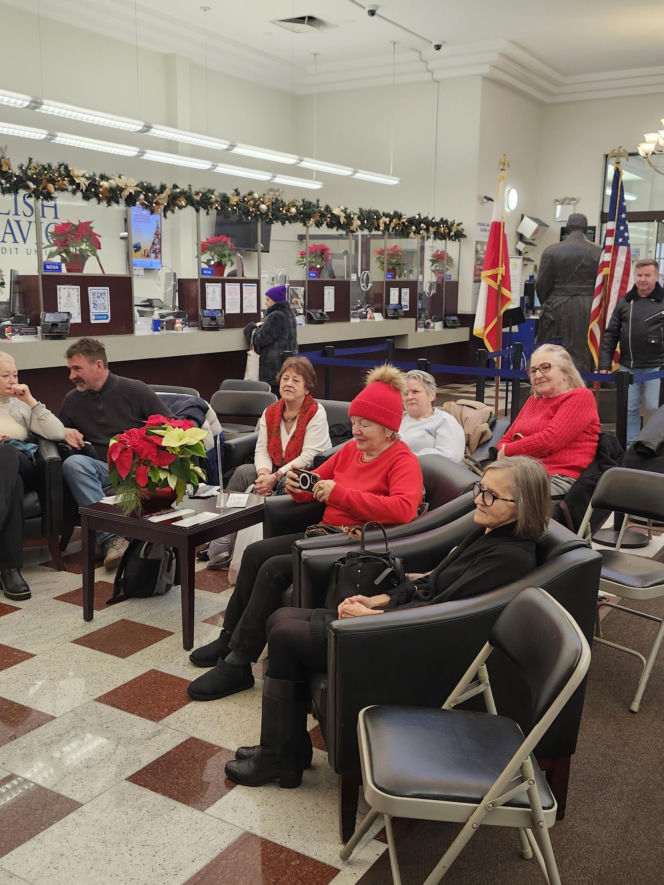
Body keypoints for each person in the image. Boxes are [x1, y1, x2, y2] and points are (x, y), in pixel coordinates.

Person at [223, 455, 551, 789]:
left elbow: (440, 615)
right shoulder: (489, 532)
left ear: (522, 506)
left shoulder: (508, 557)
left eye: (491, 495)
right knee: (280, 618)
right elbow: (431, 583)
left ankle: (280, 758)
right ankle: (285, 753)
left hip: (409, 645)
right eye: (480, 489)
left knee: (284, 633)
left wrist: (372, 618)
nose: (479, 500)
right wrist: (378, 599)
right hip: (404, 623)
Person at [187, 364, 423, 701]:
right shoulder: (350, 452)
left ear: (388, 429)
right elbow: (315, 479)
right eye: (354, 422)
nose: (355, 430)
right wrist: (299, 485)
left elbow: (403, 509)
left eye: (364, 424)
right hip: (323, 534)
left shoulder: (403, 461)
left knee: (273, 569)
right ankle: (229, 637)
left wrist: (338, 493)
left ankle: (240, 661)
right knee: (256, 553)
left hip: (354, 545)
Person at [206, 356, 331, 569]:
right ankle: (224, 539)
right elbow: (261, 448)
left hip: (305, 473)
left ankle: (261, 547)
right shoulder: (270, 411)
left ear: (307, 388)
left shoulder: (315, 412)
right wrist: (264, 474)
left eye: (296, 380)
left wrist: (274, 477)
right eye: (285, 378)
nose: (288, 383)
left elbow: (309, 456)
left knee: (282, 484)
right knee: (243, 473)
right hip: (274, 469)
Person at [58, 338, 172, 570]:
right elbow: (57, 431)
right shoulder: (72, 400)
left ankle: (121, 537)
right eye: (70, 369)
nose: (71, 376)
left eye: (77, 369)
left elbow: (169, 426)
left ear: (98, 365)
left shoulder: (134, 389)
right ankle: (112, 539)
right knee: (74, 464)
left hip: (136, 468)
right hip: (100, 468)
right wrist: (64, 431)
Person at [0, 352, 66, 599]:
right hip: (9, 479)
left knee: (6, 452)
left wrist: (30, 401)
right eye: (5, 376)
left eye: (15, 374)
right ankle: (10, 570)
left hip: (22, 463)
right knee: (12, 484)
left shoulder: (21, 406)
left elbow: (57, 433)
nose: (12, 380)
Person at [497, 344, 600, 498]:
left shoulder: (580, 397)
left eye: (545, 367)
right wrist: (508, 449)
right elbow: (505, 440)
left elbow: (548, 441)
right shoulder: (533, 401)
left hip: (556, 477)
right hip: (522, 474)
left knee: (497, 502)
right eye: (533, 370)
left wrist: (509, 450)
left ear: (565, 372)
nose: (538, 375)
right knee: (476, 494)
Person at [599, 258, 664, 447]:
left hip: (657, 367)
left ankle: (654, 446)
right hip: (628, 367)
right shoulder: (625, 302)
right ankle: (631, 448)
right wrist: (604, 363)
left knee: (655, 407)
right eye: (639, 275)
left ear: (656, 276)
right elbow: (611, 334)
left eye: (647, 275)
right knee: (629, 410)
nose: (642, 279)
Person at [535, 213, 602, 374]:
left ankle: (553, 384)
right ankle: (583, 388)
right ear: (586, 228)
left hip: (557, 305)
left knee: (552, 350)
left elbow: (541, 285)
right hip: (588, 306)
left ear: (567, 227)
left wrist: (551, 301)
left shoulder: (551, 251)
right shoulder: (599, 251)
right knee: (584, 349)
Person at [399, 369, 465, 461]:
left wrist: (405, 458)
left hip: (427, 472)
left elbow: (451, 457)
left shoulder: (444, 421)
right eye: (405, 393)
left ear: (432, 395)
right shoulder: (397, 419)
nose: (409, 397)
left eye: (415, 392)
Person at [244, 284, 297, 394]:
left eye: (268, 299)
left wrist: (251, 329)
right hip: (287, 365)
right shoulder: (290, 313)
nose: (265, 302)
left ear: (276, 301)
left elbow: (259, 340)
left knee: (273, 399)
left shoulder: (275, 316)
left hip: (273, 369)